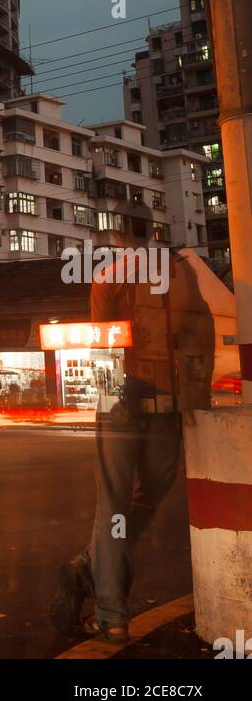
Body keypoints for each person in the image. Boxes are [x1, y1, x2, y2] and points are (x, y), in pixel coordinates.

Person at [50, 243, 220, 644]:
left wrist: (113, 400)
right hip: (169, 403)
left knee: (113, 505)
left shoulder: (109, 277)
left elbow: (104, 343)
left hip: (121, 403)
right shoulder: (187, 276)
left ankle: (106, 603)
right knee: (147, 497)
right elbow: (202, 334)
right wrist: (194, 402)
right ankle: (93, 573)